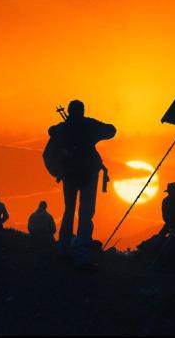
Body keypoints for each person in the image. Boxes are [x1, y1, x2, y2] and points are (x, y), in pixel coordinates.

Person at [47, 99, 116, 270]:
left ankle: (63, 250)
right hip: (88, 175)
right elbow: (111, 130)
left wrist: (58, 172)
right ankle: (82, 256)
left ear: (69, 111)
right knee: (85, 214)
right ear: (82, 111)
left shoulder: (62, 130)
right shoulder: (89, 126)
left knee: (68, 212)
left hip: (69, 175)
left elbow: (49, 143)